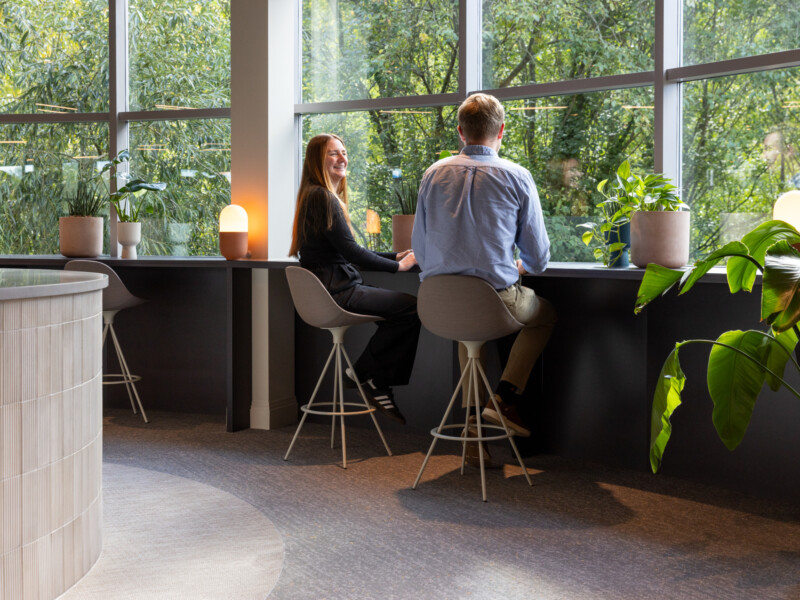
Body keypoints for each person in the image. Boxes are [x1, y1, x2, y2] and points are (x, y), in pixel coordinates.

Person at [412, 92, 557, 446]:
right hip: (497, 302)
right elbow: (538, 258)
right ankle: (505, 399)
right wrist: (522, 264)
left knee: (468, 330)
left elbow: (419, 246)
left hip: (439, 303)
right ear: (502, 130)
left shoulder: (433, 174)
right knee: (546, 314)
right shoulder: (517, 176)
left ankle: (475, 429)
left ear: (461, 131)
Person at [290, 133, 420, 424]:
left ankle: (376, 380)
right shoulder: (323, 198)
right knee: (409, 308)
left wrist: (394, 256)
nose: (342, 158)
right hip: (336, 292)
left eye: (344, 152)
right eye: (333, 153)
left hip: (333, 287)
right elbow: (352, 252)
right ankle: (363, 373)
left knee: (401, 310)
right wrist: (398, 268)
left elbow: (346, 252)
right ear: (316, 161)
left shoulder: (315, 196)